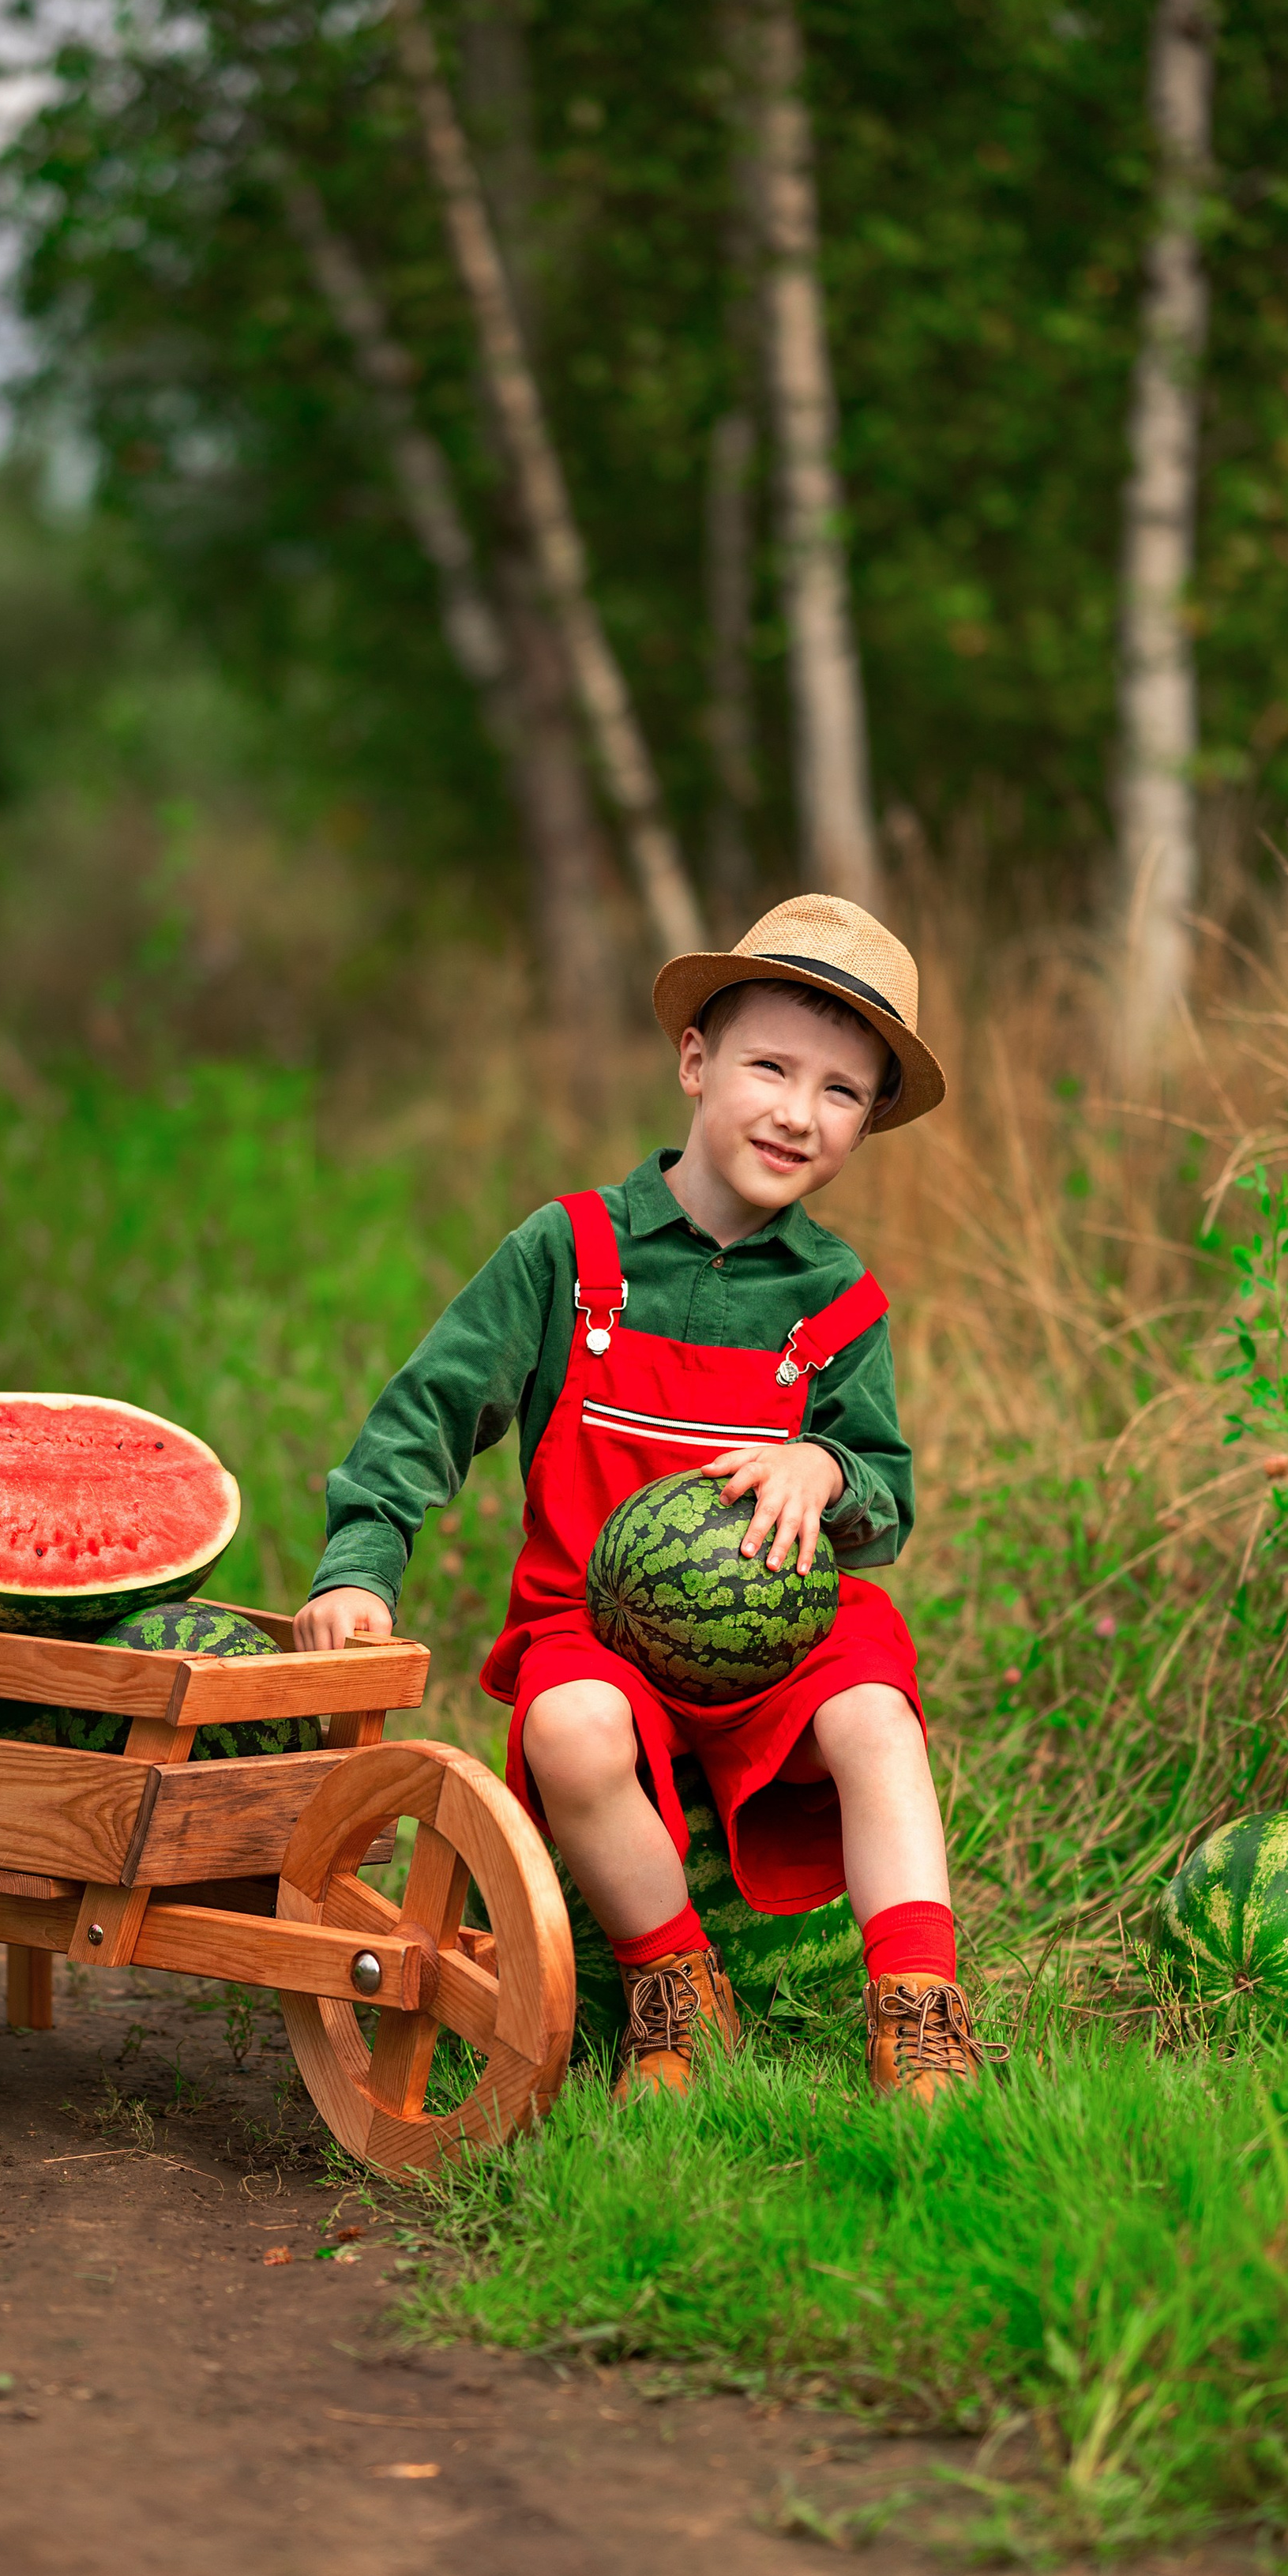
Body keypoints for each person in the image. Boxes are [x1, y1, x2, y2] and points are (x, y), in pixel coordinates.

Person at [295, 893, 989, 2107]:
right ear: (695, 1061)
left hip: (781, 1639)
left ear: (869, 1121)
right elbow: (429, 1412)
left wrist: (825, 1471)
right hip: (597, 1627)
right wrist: (361, 1558)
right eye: (770, 1066)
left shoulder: (838, 1299)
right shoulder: (569, 1255)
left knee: (876, 1707)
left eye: (840, 1090)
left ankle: (917, 2007)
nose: (795, 1110)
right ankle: (674, 1981)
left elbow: (890, 1493)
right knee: (567, 1726)